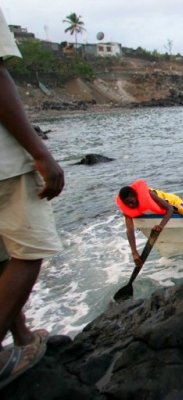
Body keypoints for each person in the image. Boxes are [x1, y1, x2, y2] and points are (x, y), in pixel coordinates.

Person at [0, 7, 63, 389]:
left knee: (4, 254)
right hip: (4, 164)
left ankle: (21, 339)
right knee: (27, 252)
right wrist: (40, 152)